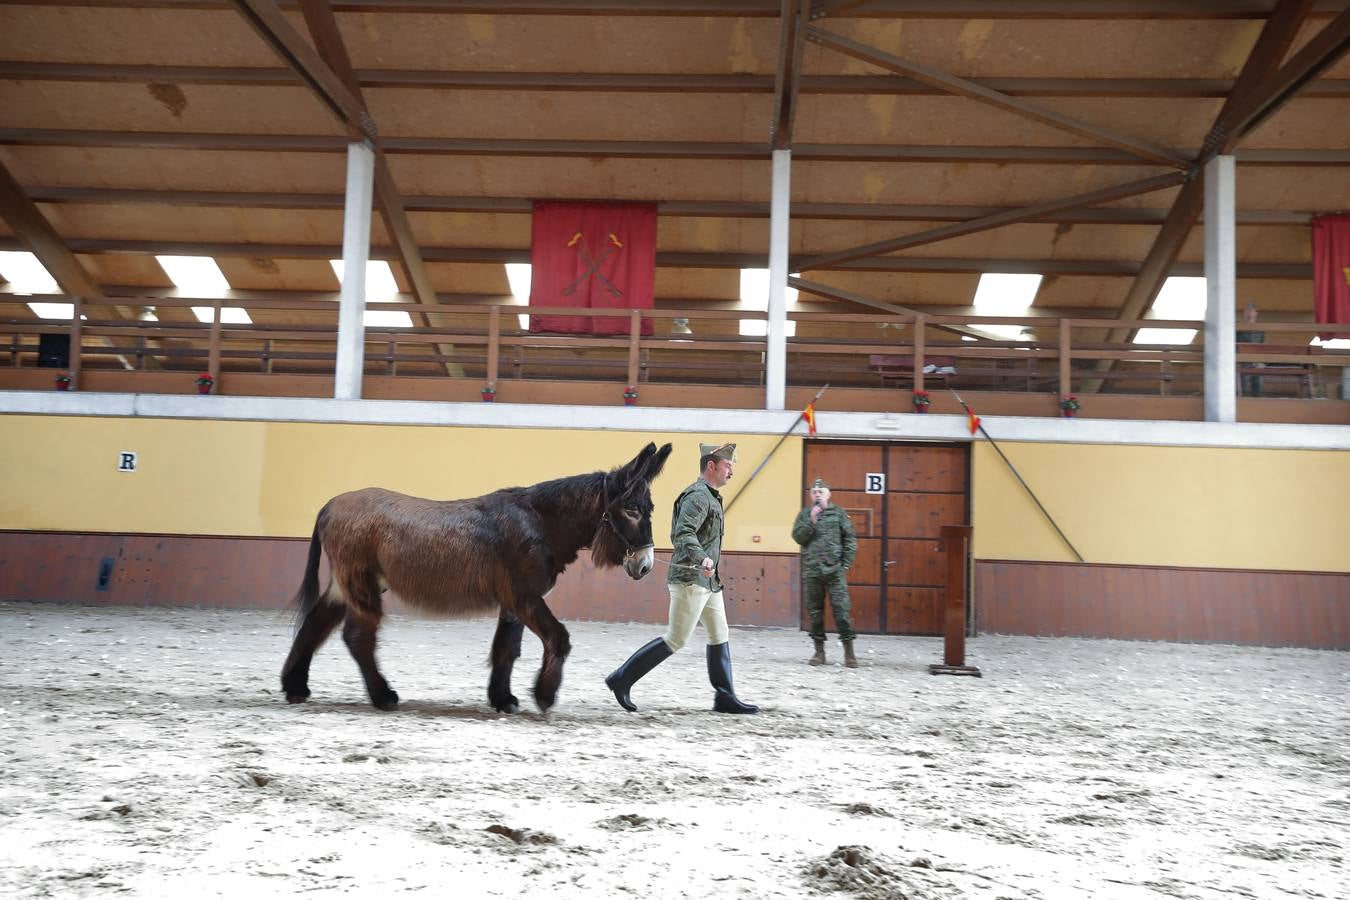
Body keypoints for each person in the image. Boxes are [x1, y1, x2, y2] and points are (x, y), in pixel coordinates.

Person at [604, 442, 758, 714]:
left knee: (719, 633)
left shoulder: (709, 495)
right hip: (691, 579)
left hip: (707, 581)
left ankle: (725, 696)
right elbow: (683, 534)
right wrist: (702, 559)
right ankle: (622, 679)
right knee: (675, 638)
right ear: (711, 466)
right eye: (728, 465)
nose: (731, 470)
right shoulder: (698, 496)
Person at [792, 477, 858, 668]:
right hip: (812, 572)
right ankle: (819, 652)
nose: (817, 494)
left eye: (821, 491)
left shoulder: (839, 514)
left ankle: (849, 653)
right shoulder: (805, 514)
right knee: (815, 613)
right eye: (814, 491)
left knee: (842, 611)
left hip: (835, 572)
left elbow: (850, 540)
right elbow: (798, 537)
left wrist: (845, 565)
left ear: (829, 494)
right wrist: (812, 520)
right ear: (810, 495)